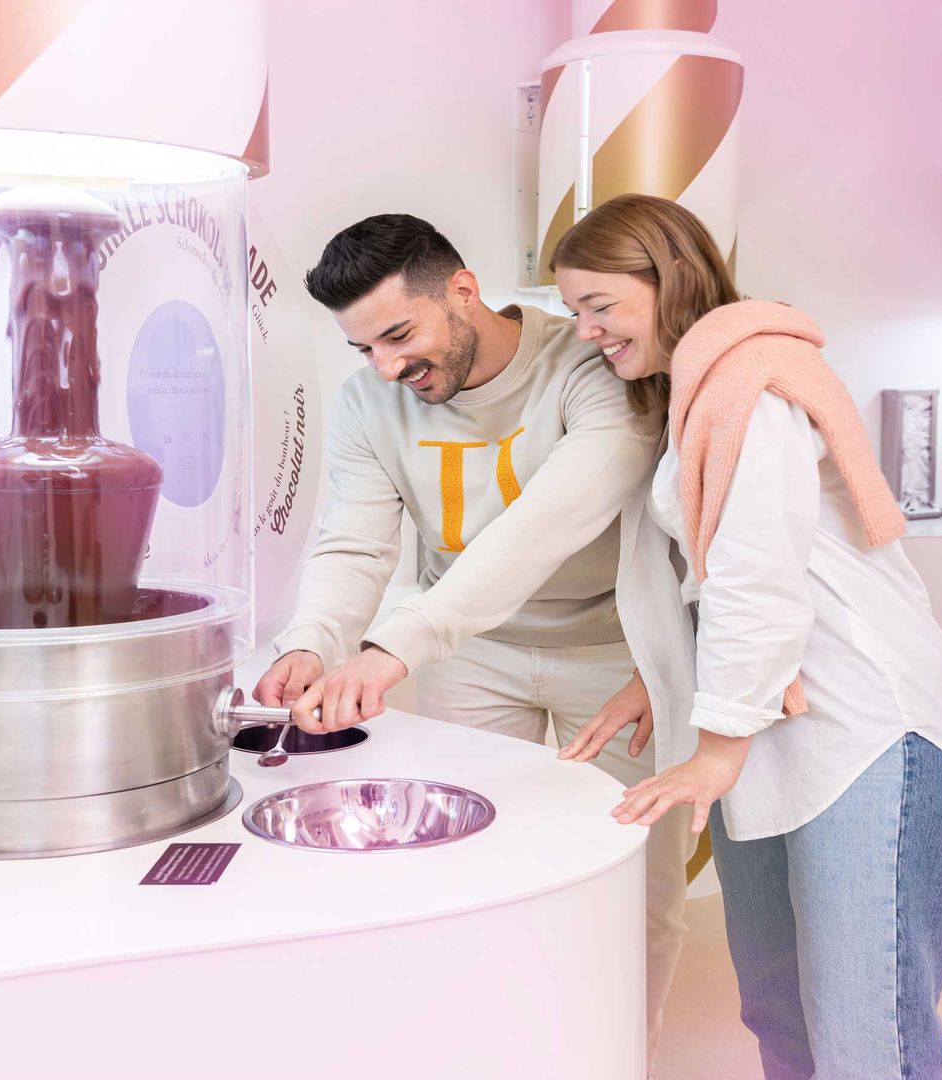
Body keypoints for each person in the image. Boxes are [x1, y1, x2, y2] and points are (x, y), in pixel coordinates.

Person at [551, 193, 942, 1079]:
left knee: (870, 1039)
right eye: (574, 313)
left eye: (601, 306)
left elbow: (757, 577)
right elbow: (709, 577)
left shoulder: (754, 383)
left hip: (866, 726)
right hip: (769, 729)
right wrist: (660, 678)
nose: (589, 331)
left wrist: (714, 746)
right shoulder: (696, 394)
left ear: (667, 277)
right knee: (780, 1009)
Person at [251, 213, 692, 1053]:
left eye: (399, 335)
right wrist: (312, 641)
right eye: (364, 348)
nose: (386, 366)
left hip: (618, 660)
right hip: (473, 658)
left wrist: (393, 648)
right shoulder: (368, 403)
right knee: (468, 869)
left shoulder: (590, 368)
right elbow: (353, 541)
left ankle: (619, 1055)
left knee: (636, 888)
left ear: (463, 291)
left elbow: (549, 523)